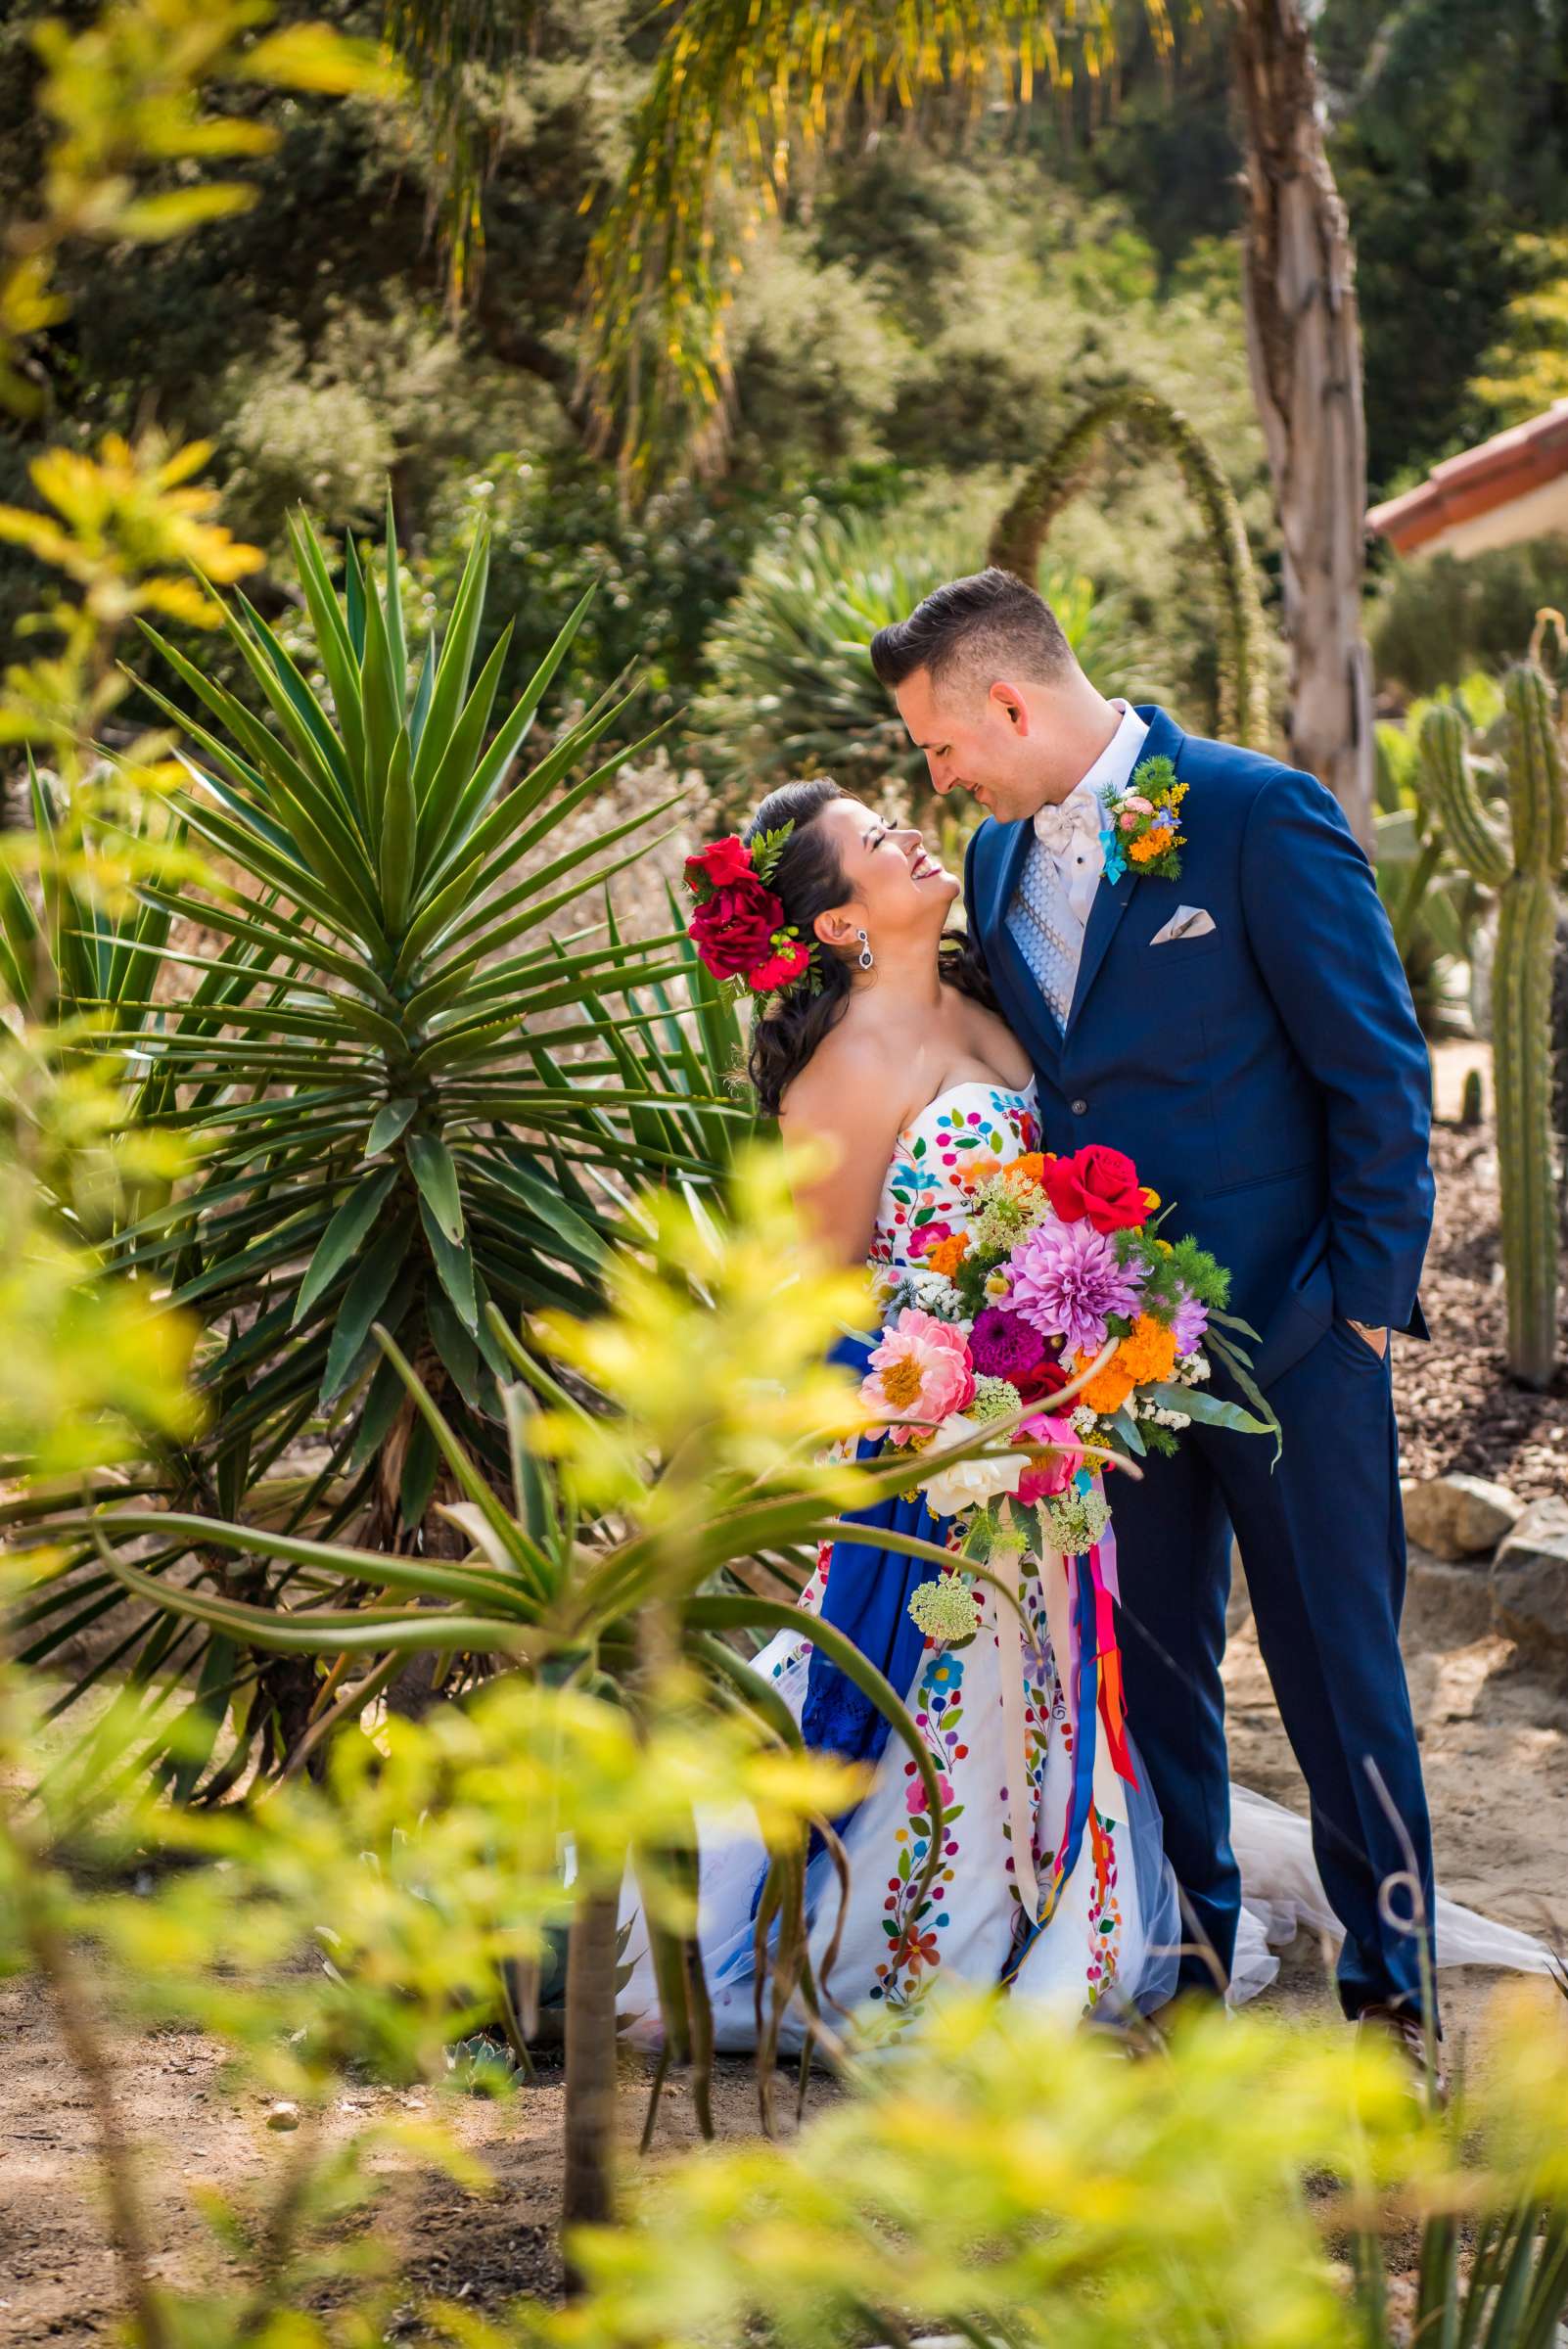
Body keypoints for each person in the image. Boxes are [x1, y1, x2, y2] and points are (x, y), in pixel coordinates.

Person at [616, 746, 1553, 2067]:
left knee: (1090, 1689)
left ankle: (1142, 1934)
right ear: (834, 921)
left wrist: (1077, 1348)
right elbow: (822, 1296)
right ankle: (955, 1942)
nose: (916, 834)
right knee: (973, 1702)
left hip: (1070, 1423)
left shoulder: (988, 989)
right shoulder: (837, 1072)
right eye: (880, 838)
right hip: (949, 1448)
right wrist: (935, 1410)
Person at [865, 565, 1440, 2066]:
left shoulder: (1256, 815)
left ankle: (1391, 1993)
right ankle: (1191, 1961)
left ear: (1005, 699)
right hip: (1104, 1360)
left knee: (1337, 1675)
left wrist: (1356, 1320)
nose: (939, 778)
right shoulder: (994, 868)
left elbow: (1375, 1080)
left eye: (938, 747)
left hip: (1296, 1346)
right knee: (1160, 1666)